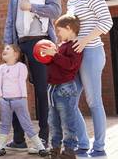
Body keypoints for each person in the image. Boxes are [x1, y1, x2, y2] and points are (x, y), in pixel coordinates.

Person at [3, 0, 62, 150]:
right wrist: (9, 46)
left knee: (41, 90)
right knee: (15, 90)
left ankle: (44, 136)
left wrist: (32, 7)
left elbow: (55, 10)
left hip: (41, 43)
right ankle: (19, 139)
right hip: (20, 45)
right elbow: (10, 21)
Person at [61, 0, 113, 157]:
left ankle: (98, 147)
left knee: (93, 101)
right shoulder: (71, 0)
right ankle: (83, 143)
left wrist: (84, 40)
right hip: (74, 56)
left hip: (91, 53)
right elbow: (71, 29)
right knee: (69, 101)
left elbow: (106, 23)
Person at [41, 14, 83, 159]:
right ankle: (55, 148)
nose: (57, 34)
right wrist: (47, 57)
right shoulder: (60, 46)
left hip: (65, 88)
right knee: (53, 122)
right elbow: (54, 64)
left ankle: (70, 150)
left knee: (67, 121)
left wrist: (55, 55)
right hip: (52, 89)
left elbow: (71, 66)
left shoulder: (75, 46)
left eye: (59, 31)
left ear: (69, 28)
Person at [0, 44, 47, 157]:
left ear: (16, 54)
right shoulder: (1, 68)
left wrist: (24, 98)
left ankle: (41, 148)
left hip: (19, 100)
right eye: (4, 49)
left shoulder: (21, 67)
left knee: (27, 124)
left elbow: (22, 82)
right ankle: (1, 147)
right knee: (5, 124)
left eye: (8, 49)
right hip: (4, 101)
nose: (4, 50)